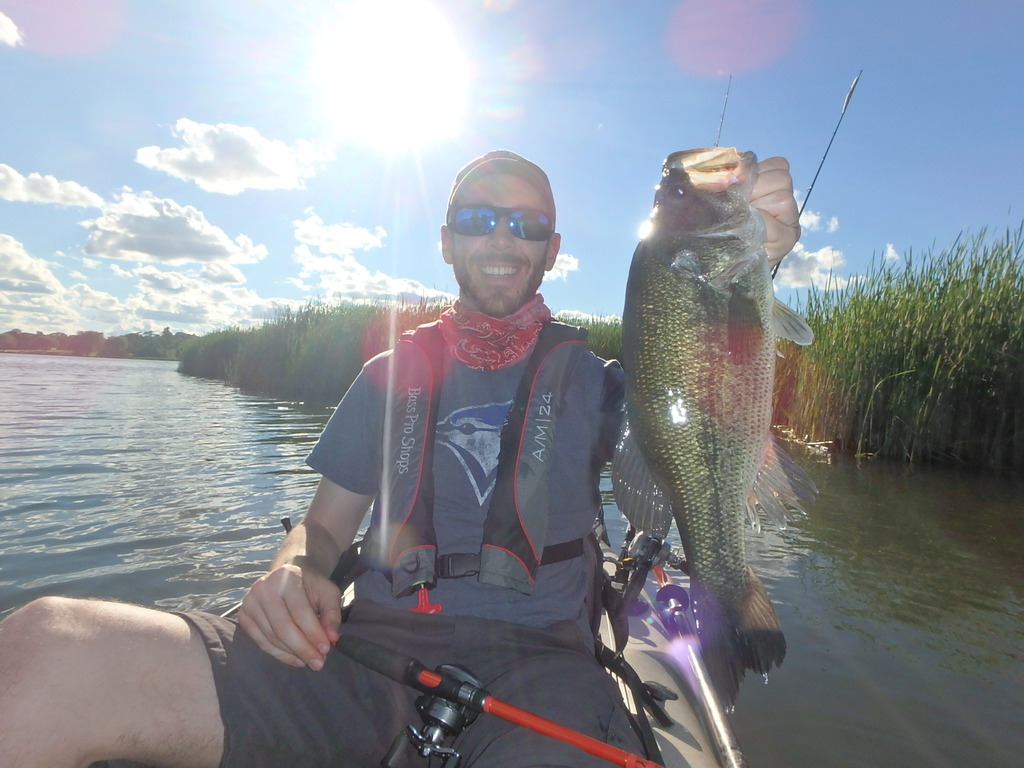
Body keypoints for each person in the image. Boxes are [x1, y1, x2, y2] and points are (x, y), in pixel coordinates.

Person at [0, 150, 800, 768]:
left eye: (525, 225)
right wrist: (290, 572)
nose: (502, 237)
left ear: (553, 249)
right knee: (50, 642)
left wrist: (758, 260)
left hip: (544, 675)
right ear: (447, 239)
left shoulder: (599, 382)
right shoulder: (387, 376)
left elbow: (702, 387)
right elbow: (321, 531)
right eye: (481, 218)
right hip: (353, 656)